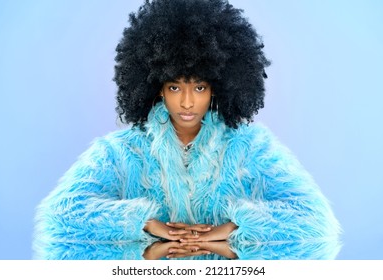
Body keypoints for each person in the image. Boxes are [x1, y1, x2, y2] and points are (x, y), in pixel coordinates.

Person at [33, 0, 341, 260]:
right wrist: (145, 224)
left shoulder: (251, 147)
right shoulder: (120, 151)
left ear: (217, 89)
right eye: (175, 86)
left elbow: (315, 220)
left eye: (200, 86)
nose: (188, 102)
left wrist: (235, 228)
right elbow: (59, 217)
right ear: (157, 89)